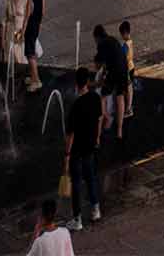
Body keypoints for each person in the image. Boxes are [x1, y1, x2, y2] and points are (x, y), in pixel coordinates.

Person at [64, 66, 103, 231]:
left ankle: (77, 219)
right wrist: (97, 137)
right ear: (88, 81)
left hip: (77, 150)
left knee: (76, 184)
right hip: (90, 146)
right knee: (91, 177)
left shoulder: (76, 105)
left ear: (76, 83)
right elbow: (100, 118)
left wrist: (66, 153)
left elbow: (70, 134)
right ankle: (95, 210)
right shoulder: (95, 97)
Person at [22, 0, 44, 93]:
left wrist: (22, 33)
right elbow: (42, 15)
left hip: (29, 30)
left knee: (30, 55)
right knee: (32, 54)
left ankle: (36, 81)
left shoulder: (30, 1)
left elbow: (26, 19)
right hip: (36, 29)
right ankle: (32, 77)